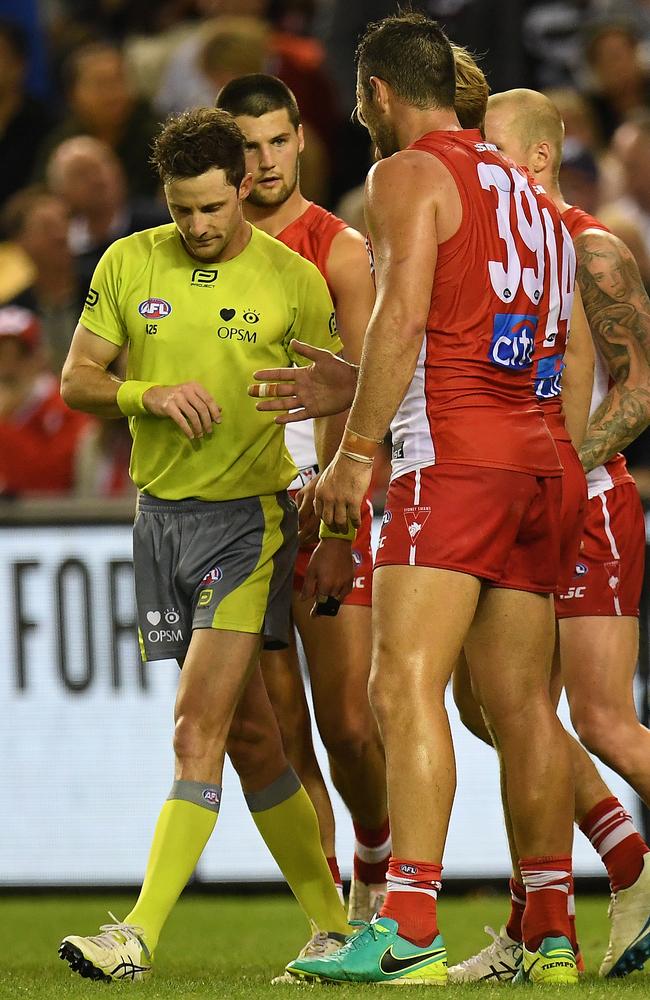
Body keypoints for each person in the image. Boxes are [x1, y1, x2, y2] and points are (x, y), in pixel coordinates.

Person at [281, 13, 579, 985]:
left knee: (400, 686)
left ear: (373, 93)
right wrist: (354, 385)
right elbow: (497, 324)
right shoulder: (527, 192)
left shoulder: (407, 172)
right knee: (524, 706)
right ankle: (552, 931)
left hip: (448, 458)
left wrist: (356, 451)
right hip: (536, 461)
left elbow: (407, 313)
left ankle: (406, 920)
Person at [57, 107, 352, 983]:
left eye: (214, 208)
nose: (199, 227)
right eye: (183, 210)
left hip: (250, 521)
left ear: (243, 189)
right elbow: (80, 378)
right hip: (159, 522)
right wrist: (146, 395)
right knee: (254, 741)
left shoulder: (295, 278)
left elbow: (342, 391)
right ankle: (336, 927)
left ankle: (136, 936)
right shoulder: (128, 260)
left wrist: (335, 501)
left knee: (196, 729)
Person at [450, 87, 650, 982]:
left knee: (602, 721)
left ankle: (577, 901)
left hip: (589, 503)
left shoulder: (590, 248)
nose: (476, 167)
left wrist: (563, 466)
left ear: (533, 160)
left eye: (490, 152)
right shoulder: (493, 252)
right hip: (516, 502)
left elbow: (642, 389)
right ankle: (562, 908)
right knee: (491, 707)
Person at [216, 73, 389, 923]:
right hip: (241, 515)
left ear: (301, 141)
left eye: (278, 141)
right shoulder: (197, 253)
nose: (265, 161)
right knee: (285, 734)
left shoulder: (340, 249)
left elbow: (367, 396)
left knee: (350, 723)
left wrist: (340, 521)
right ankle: (330, 924)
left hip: (323, 506)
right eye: (247, 147)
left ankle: (379, 864)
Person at [0, 304, 93, 496]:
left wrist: (4, 423)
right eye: (0, 356)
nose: (7, 368)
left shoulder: (66, 405)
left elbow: (51, 482)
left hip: (50, 523)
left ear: (39, 358)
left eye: (19, 355)